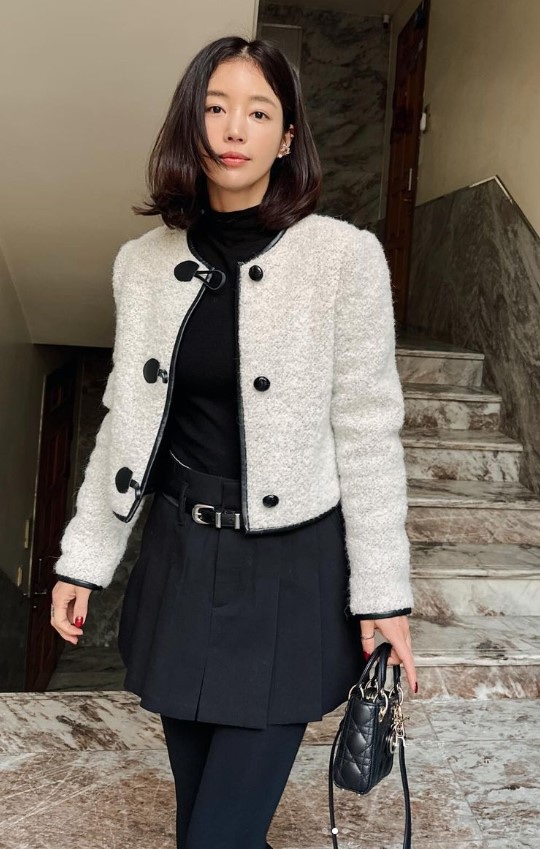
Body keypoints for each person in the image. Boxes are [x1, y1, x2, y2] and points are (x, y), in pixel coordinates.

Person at [50, 34, 418, 849]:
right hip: (180, 558)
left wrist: (384, 595)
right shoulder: (141, 264)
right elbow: (124, 418)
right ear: (191, 123)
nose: (234, 128)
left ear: (287, 137)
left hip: (290, 570)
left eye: (258, 112)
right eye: (216, 108)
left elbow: (368, 432)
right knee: (205, 827)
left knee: (216, 836)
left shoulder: (344, 259)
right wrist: (84, 556)